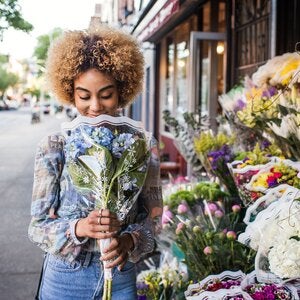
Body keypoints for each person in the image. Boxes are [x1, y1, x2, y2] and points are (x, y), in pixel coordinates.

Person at [28, 24, 162, 300]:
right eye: (84, 96)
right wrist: (78, 228)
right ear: (70, 92)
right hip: (65, 277)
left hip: (121, 274)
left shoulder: (144, 145)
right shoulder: (55, 146)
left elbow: (155, 220)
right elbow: (37, 226)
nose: (96, 107)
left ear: (123, 89)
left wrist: (130, 240)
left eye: (106, 94)